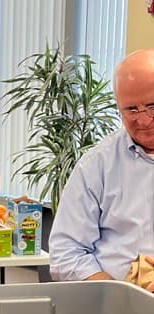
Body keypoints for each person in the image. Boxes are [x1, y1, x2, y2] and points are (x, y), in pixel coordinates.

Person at [49, 49, 154, 286]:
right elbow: (65, 253)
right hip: (115, 308)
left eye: (152, 106)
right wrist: (119, 296)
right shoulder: (97, 165)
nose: (144, 120)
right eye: (131, 110)